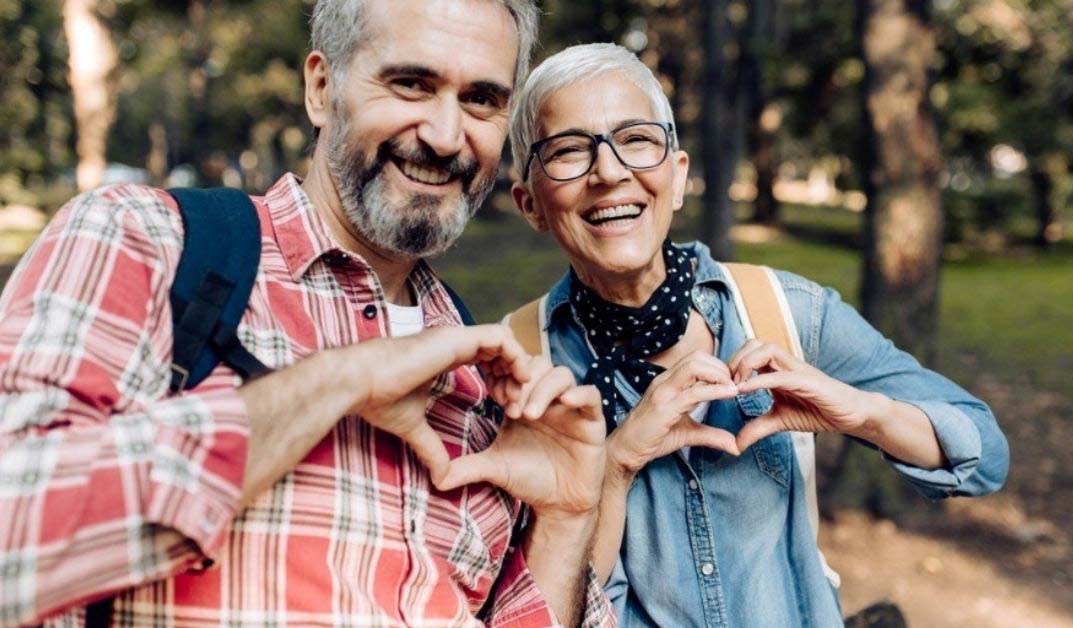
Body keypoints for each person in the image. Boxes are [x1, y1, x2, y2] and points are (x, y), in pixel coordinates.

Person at [0, 2, 615, 626]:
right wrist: (340, 380)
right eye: (411, 84)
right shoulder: (145, 242)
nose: (446, 136)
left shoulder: (483, 377)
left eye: (482, 99)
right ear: (322, 89)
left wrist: (564, 520)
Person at [504, 43, 1010, 627]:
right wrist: (614, 465)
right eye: (569, 151)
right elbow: (540, 613)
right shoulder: (515, 367)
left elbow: (984, 454)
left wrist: (864, 413)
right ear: (530, 204)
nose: (610, 172)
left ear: (677, 173)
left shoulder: (786, 311)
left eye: (637, 140)